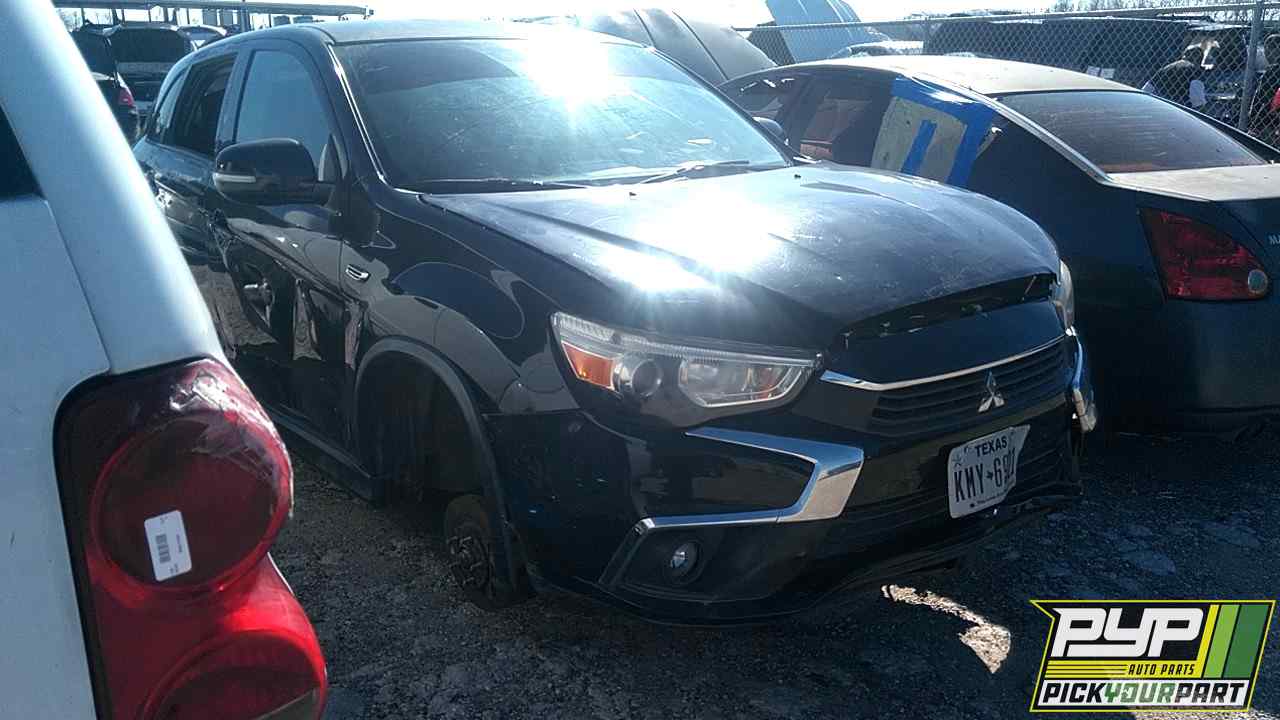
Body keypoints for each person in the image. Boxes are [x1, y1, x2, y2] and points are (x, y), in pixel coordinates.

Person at [1143, 46, 1207, 110]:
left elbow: (1146, 89)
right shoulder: (1194, 71)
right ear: (1200, 60)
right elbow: (1197, 101)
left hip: (1158, 106)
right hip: (1179, 110)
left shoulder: (1166, 68)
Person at [1248, 34, 1280, 139]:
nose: (1266, 54)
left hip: (1270, 123)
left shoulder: (1273, 72)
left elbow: (1263, 100)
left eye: (1267, 50)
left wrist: (1255, 125)